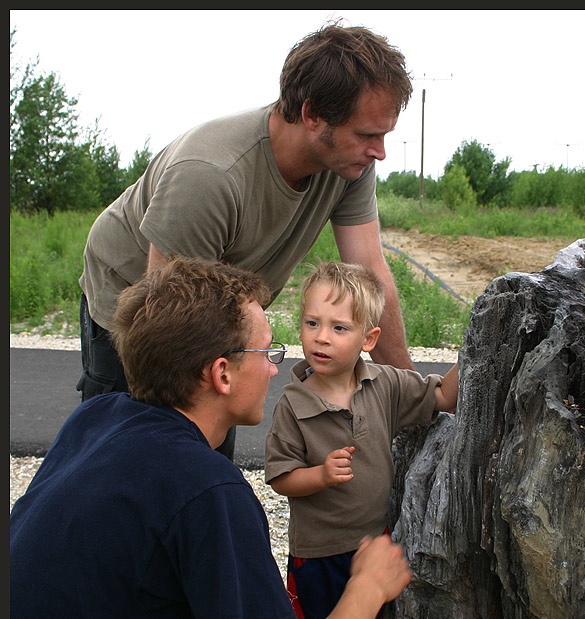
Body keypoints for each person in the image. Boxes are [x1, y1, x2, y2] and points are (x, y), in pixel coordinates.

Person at [10, 257, 411, 619]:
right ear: (222, 374)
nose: (274, 370)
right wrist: (367, 585)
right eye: (268, 354)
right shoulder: (207, 490)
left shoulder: (96, 417)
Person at [76, 22, 415, 459]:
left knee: (211, 445)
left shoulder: (349, 165)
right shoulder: (211, 176)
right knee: (128, 445)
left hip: (216, 301)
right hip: (135, 294)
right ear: (313, 115)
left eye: (384, 134)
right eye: (368, 135)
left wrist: (407, 396)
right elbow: (165, 326)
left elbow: (371, 272)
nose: (380, 152)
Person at [264, 261, 458, 619]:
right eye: (312, 323)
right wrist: (320, 475)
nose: (321, 338)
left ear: (368, 340)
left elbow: (442, 396)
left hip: (373, 543)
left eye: (339, 328)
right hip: (320, 553)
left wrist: (475, 348)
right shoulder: (294, 404)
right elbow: (281, 477)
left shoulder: (383, 384)